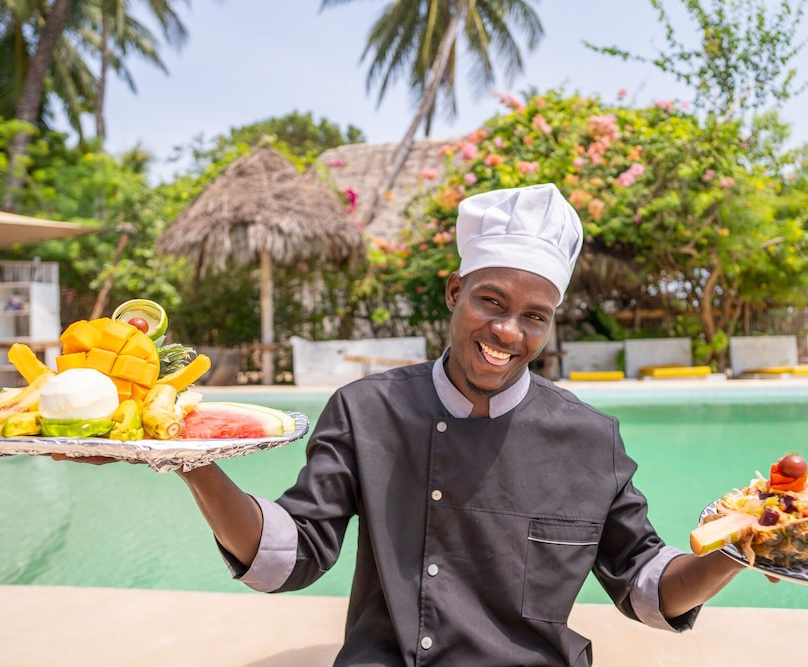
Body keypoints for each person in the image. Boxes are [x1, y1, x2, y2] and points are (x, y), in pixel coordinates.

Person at [173, 182, 747, 665]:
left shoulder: (592, 439)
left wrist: (745, 548)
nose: (508, 332)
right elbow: (289, 556)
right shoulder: (366, 410)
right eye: (491, 302)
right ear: (455, 291)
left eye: (534, 316)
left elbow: (647, 588)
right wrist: (193, 463)